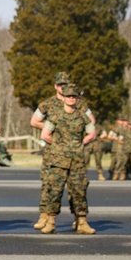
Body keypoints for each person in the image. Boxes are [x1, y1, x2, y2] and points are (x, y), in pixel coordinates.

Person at [30, 72, 94, 226]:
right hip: (53, 151)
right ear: (55, 86)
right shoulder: (48, 103)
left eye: (65, 85)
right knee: (49, 183)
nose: (62, 87)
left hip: (74, 152)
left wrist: (77, 142)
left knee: (77, 186)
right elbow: (34, 121)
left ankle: (78, 218)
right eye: (60, 85)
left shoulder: (79, 103)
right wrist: (54, 129)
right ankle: (44, 215)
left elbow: (91, 123)